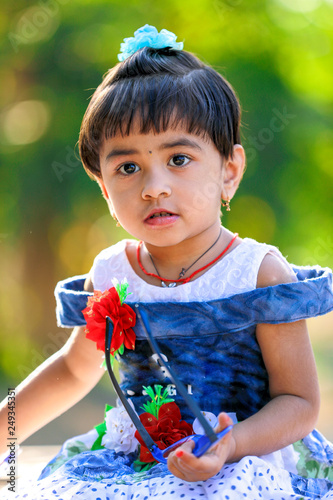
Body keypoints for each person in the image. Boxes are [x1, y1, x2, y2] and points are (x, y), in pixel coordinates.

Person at [1, 24, 332, 500]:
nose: (153, 186)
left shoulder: (257, 273)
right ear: (104, 187)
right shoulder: (113, 272)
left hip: (244, 456)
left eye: (179, 159)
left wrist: (230, 443)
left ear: (229, 171)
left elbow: (299, 402)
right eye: (128, 167)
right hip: (139, 457)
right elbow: (75, 370)